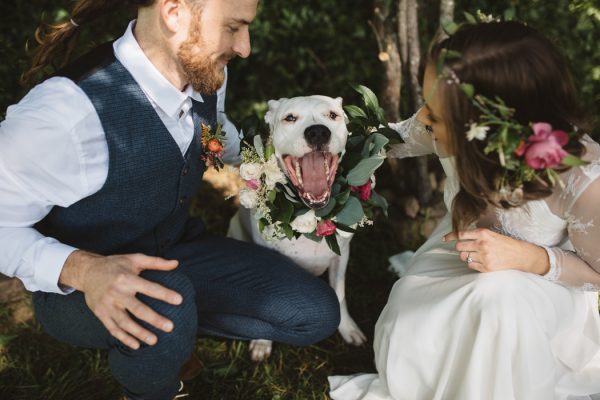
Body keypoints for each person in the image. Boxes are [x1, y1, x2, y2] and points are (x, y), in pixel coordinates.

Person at [0, 1, 341, 399]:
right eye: (234, 27)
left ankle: (171, 337)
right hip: (78, 288)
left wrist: (273, 157)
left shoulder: (207, 71)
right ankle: (151, 384)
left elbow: (217, 130)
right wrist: (84, 270)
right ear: (175, 12)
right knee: (167, 310)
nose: (245, 47)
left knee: (315, 314)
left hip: (177, 249)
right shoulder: (65, 116)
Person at [329, 20, 600, 400]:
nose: (422, 119)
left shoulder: (581, 178)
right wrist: (314, 148)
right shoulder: (446, 119)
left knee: (494, 298)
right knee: (416, 307)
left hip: (542, 286)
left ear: (484, 125)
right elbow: (389, 140)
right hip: (457, 250)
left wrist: (529, 257)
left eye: (435, 116)